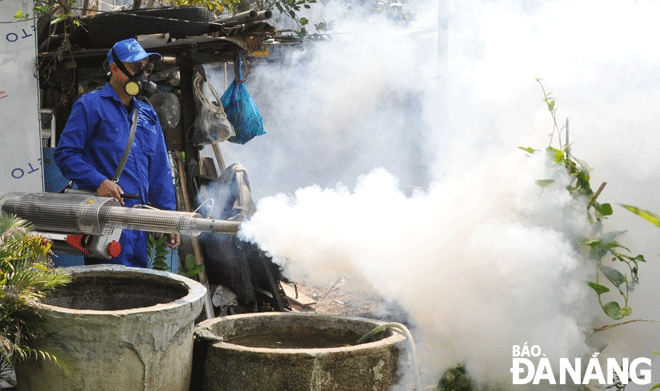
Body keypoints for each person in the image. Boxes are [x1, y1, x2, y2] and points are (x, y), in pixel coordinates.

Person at [54, 38, 180, 267]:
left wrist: (168, 218)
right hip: (107, 218)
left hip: (139, 221)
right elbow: (66, 154)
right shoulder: (90, 105)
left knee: (137, 290)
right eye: (136, 67)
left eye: (147, 69)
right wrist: (99, 181)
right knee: (108, 288)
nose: (143, 74)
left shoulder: (148, 115)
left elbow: (160, 169)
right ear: (114, 68)